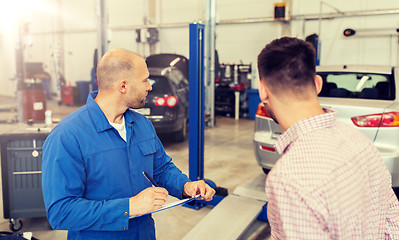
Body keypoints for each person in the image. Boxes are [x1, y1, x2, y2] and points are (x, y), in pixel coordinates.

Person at [42, 48, 215, 239]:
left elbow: (161, 169)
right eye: (144, 80)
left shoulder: (142, 125)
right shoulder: (67, 136)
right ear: (123, 86)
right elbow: (61, 212)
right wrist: (130, 207)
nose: (149, 86)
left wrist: (185, 186)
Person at [257, 37, 399, 239]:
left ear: (262, 90)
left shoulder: (288, 178)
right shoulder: (359, 141)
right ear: (317, 83)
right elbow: (393, 223)